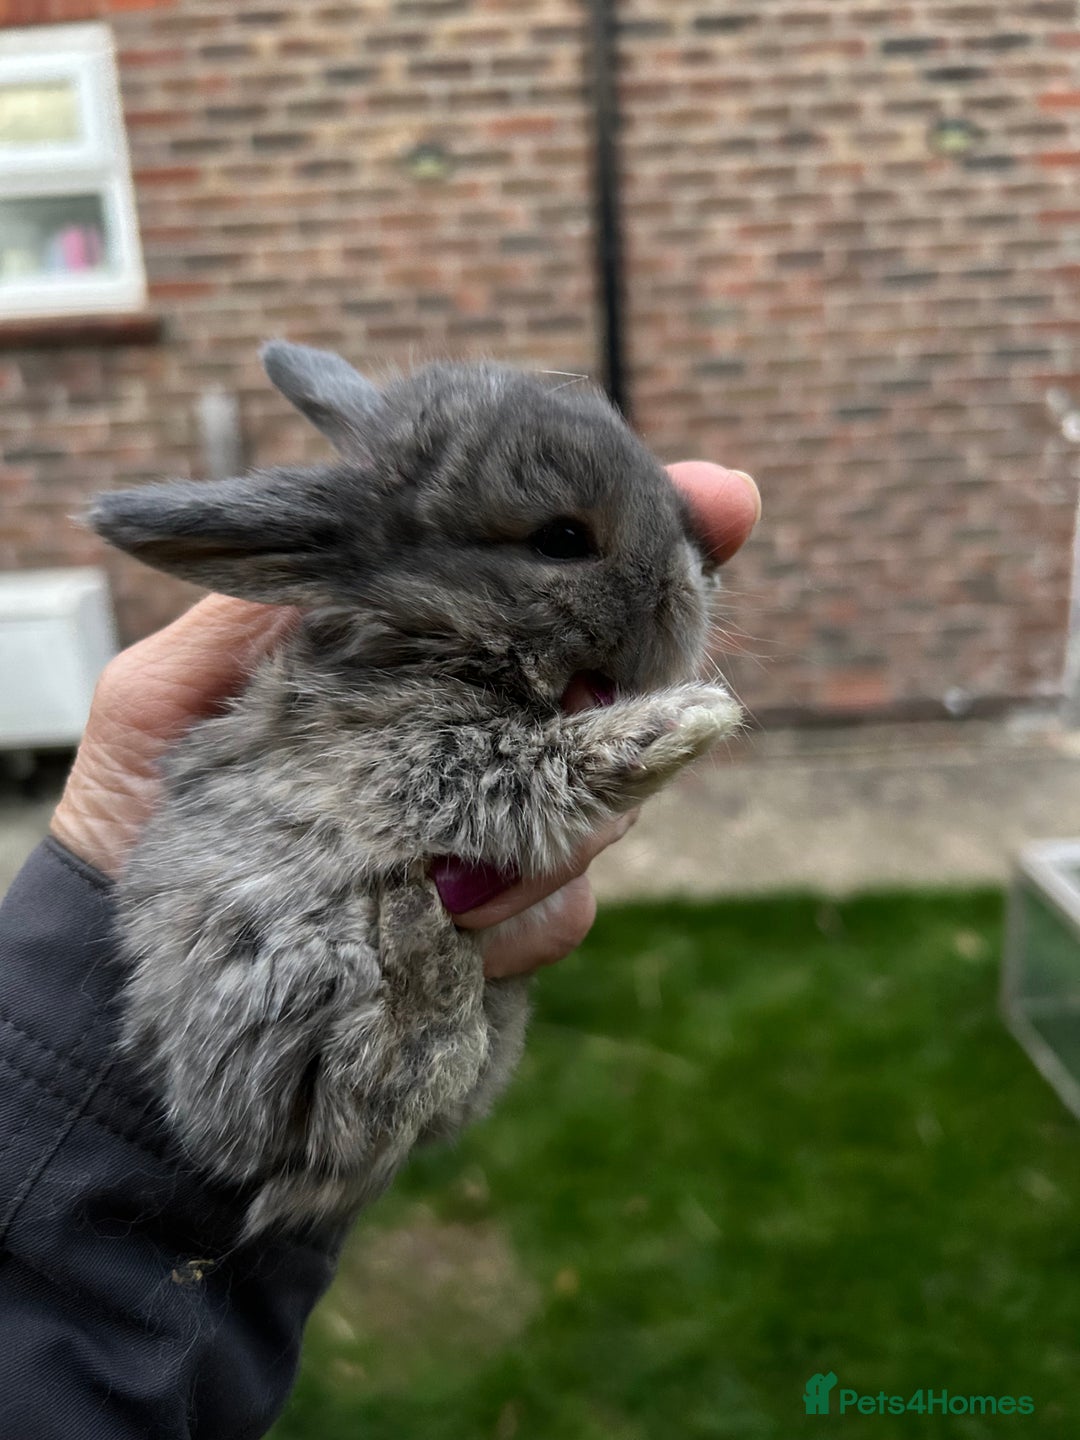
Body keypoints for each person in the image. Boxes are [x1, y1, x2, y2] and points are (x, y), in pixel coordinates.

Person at [0, 462, 760, 1440]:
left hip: (201, 1095)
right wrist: (575, 765)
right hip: (243, 972)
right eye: (565, 544)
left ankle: (379, 1075)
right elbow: (403, 775)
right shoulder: (364, 647)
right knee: (343, 988)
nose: (680, 577)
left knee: (447, 988)